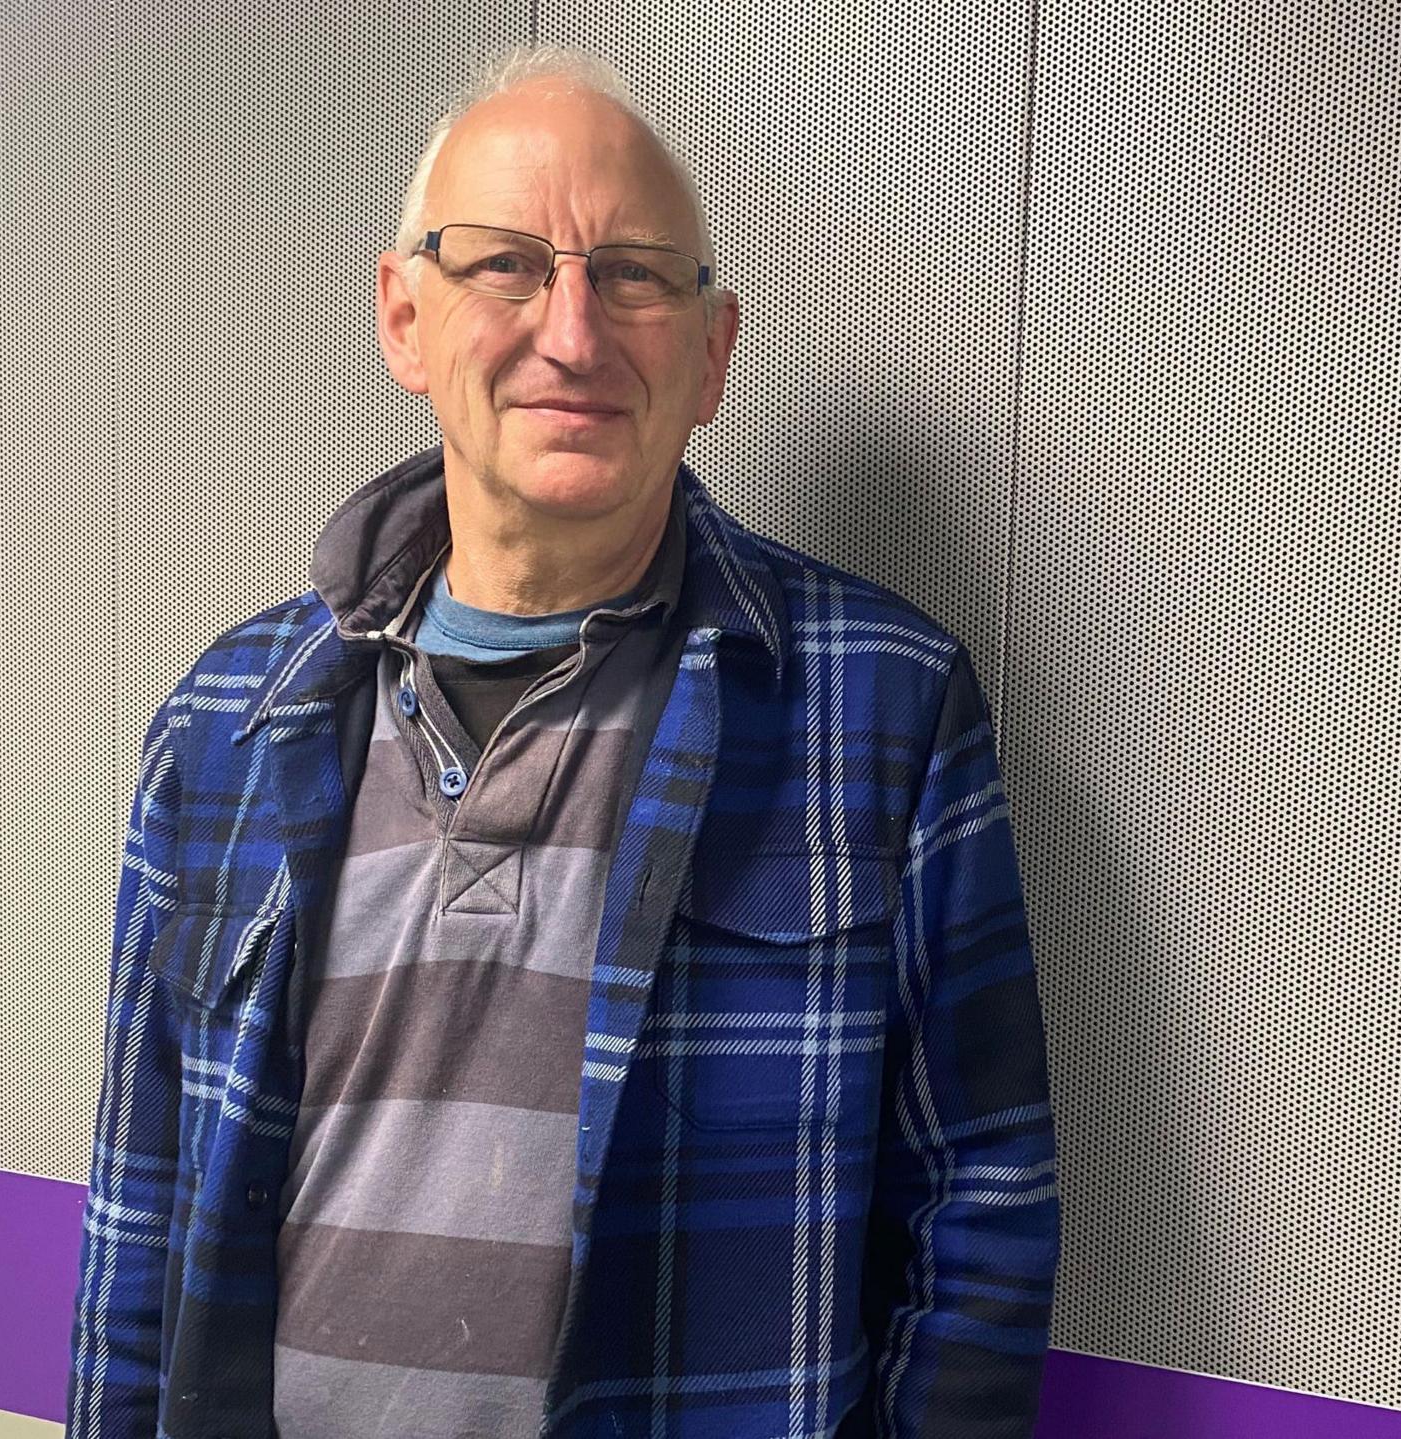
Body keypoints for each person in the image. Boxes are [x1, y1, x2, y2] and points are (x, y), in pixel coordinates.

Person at [66, 44, 1060, 1439]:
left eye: (637, 274)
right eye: (505, 266)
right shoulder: (225, 722)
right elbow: (140, 1204)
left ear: (712, 354)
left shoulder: (881, 707)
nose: (575, 332)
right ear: (404, 317)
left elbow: (985, 1200)